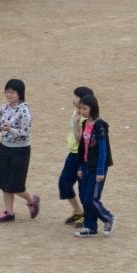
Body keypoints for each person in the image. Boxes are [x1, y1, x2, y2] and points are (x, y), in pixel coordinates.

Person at [0, 78, 39, 222]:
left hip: (20, 150)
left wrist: (10, 129)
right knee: (4, 181)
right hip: (5, 147)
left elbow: (25, 132)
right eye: (7, 92)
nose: (9, 95)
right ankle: (9, 212)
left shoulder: (24, 111)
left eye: (12, 92)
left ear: (20, 94)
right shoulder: (4, 107)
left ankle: (31, 200)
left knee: (16, 184)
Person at [74, 93, 116, 238]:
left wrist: (100, 171)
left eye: (84, 108)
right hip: (86, 165)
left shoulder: (100, 126)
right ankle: (90, 227)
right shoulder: (85, 124)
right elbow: (83, 148)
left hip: (97, 167)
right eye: (81, 108)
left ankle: (107, 217)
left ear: (92, 109)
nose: (82, 111)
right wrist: (80, 167)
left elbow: (103, 150)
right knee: (85, 197)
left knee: (92, 198)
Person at [60, 87, 92, 226]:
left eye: (76, 97)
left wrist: (75, 124)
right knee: (64, 184)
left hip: (82, 157)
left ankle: (88, 216)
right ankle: (78, 211)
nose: (73, 99)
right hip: (72, 154)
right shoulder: (76, 112)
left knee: (83, 189)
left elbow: (81, 141)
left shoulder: (85, 118)